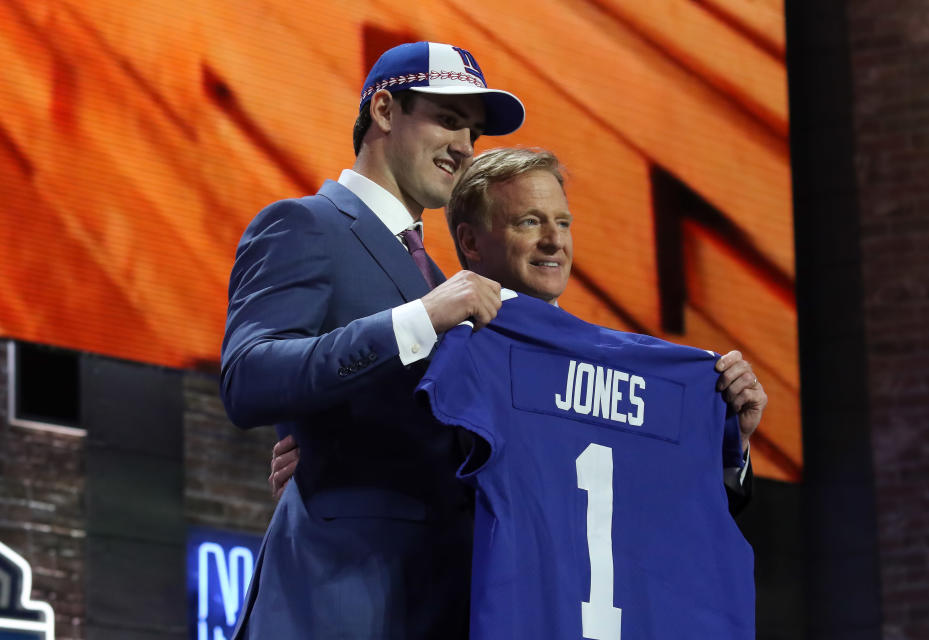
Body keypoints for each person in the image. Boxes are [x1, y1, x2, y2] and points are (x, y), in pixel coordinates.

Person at [220, 42, 526, 639]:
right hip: (338, 602)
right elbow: (249, 377)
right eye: (448, 119)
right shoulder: (303, 223)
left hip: (432, 604)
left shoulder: (440, 282)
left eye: (474, 133)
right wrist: (417, 320)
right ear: (384, 110)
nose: (465, 147)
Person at [269, 148, 767, 514]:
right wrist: (331, 468)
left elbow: (669, 505)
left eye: (563, 223)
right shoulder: (440, 351)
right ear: (470, 241)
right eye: (530, 222)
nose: (554, 241)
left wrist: (731, 441)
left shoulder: (613, 366)